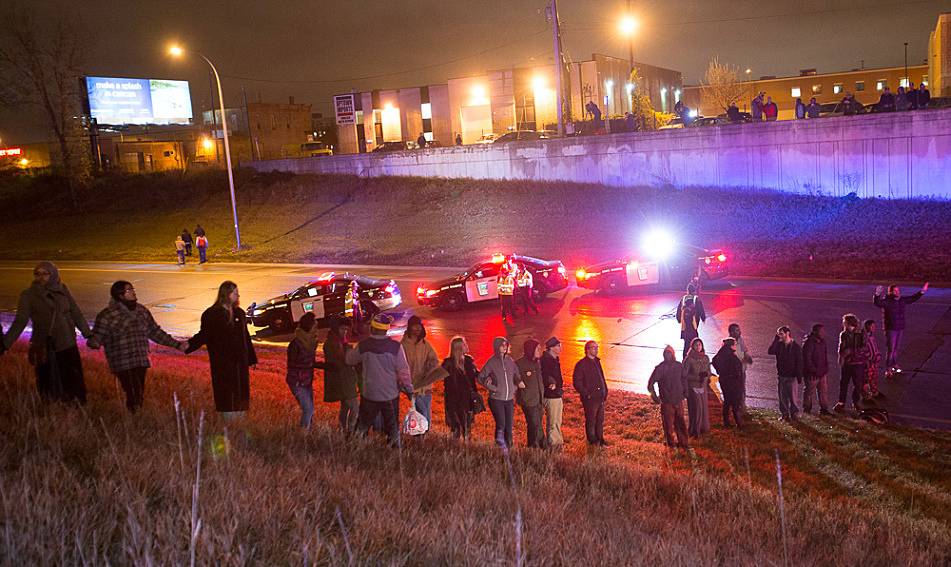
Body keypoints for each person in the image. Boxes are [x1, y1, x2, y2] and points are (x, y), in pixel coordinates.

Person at [88, 281, 189, 413]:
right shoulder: (108, 315)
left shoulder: (142, 311)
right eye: (128, 290)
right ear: (120, 296)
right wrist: (94, 342)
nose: (133, 292)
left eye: (132, 289)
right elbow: (99, 335)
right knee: (133, 390)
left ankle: (135, 415)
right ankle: (135, 416)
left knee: (139, 391)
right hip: (122, 361)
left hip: (140, 359)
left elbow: (155, 332)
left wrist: (176, 344)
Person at [3, 262, 94, 404]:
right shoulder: (29, 295)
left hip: (67, 343)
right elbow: (20, 322)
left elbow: (75, 312)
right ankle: (50, 410)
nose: (41, 277)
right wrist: (5, 343)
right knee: (48, 382)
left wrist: (88, 334)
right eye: (37, 274)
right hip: (46, 345)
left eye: (45, 273)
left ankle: (76, 409)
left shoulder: (62, 289)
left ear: (53, 274)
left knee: (73, 380)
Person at [186, 281, 258, 418]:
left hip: (240, 367)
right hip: (223, 366)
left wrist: (251, 358)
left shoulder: (239, 313)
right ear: (227, 294)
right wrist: (187, 346)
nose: (238, 295)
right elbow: (204, 335)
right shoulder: (212, 314)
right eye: (235, 293)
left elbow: (245, 338)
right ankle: (229, 430)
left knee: (240, 403)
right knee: (228, 401)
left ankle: (239, 432)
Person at [345, 313, 413, 447]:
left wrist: (347, 350)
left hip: (370, 394)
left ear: (373, 328)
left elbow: (349, 360)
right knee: (393, 428)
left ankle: (355, 449)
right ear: (386, 330)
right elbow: (403, 371)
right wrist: (409, 389)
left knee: (363, 426)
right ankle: (394, 452)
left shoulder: (363, 345)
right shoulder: (395, 347)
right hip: (390, 394)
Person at [873, 282, 928, 376]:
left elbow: (912, 298)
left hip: (900, 328)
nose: (897, 292)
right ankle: (888, 369)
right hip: (890, 329)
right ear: (890, 292)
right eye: (895, 291)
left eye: (898, 290)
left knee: (896, 349)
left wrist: (922, 291)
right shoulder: (887, 301)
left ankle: (895, 366)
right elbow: (878, 303)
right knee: (890, 350)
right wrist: (877, 295)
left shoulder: (901, 300)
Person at [477, 337, 521, 447]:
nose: (505, 347)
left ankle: (510, 447)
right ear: (497, 347)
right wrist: (493, 388)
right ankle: (499, 447)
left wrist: (514, 387)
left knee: (509, 425)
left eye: (506, 344)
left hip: (509, 399)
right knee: (501, 423)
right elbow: (480, 377)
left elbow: (517, 374)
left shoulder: (510, 361)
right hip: (496, 399)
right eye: (502, 345)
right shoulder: (492, 362)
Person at [401, 315, 440, 435]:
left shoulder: (425, 345)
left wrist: (430, 368)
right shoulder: (403, 346)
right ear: (410, 327)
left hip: (427, 386)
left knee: (426, 413)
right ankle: (421, 436)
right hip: (413, 387)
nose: (418, 328)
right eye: (415, 325)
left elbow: (434, 360)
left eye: (420, 326)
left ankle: (424, 437)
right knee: (421, 413)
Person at [323, 314, 360, 437]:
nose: (345, 331)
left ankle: (343, 430)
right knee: (354, 406)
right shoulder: (331, 344)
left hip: (346, 379)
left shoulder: (341, 343)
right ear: (335, 328)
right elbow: (336, 363)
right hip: (341, 380)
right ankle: (350, 430)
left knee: (345, 406)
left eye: (346, 329)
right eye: (342, 329)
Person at [647, 345, 688, 448]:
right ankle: (670, 443)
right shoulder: (660, 368)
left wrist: (685, 392)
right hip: (667, 402)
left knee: (680, 423)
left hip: (678, 400)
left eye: (669, 353)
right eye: (666, 354)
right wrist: (655, 397)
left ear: (673, 354)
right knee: (668, 425)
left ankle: (683, 442)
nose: (667, 356)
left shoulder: (679, 366)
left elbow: (684, 379)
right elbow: (651, 384)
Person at [442, 337, 479, 440]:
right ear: (458, 348)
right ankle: (455, 450)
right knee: (455, 427)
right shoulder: (448, 363)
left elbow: (476, 374)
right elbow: (438, 375)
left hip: (467, 398)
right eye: (464, 344)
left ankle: (467, 448)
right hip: (454, 399)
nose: (467, 346)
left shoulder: (469, 360)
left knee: (467, 427)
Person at [573, 340, 609, 447]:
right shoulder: (581, 365)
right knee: (591, 420)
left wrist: (604, 391)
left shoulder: (597, 362)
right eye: (593, 347)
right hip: (590, 398)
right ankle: (592, 440)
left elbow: (601, 377)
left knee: (600, 420)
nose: (596, 349)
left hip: (600, 396)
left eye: (597, 347)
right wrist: (586, 394)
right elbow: (577, 382)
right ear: (587, 350)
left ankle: (600, 439)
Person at [286, 312, 319, 427]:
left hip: (307, 381)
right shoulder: (296, 343)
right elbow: (291, 363)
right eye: (314, 326)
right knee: (308, 409)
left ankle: (309, 429)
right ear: (308, 326)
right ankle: (304, 433)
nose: (316, 328)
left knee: (310, 408)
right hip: (297, 382)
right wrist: (308, 364)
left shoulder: (312, 341)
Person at [515, 338, 546, 449]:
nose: (539, 351)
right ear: (531, 350)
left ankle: (531, 446)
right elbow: (512, 377)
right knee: (536, 424)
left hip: (538, 399)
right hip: (528, 400)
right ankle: (544, 447)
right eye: (537, 349)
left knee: (533, 425)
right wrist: (518, 382)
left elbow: (543, 378)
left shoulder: (538, 364)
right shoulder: (519, 364)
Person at [768, 326, 802, 421]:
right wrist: (775, 340)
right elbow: (770, 351)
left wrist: (799, 376)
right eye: (779, 335)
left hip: (792, 376)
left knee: (792, 396)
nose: (780, 336)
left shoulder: (795, 347)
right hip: (782, 375)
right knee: (782, 396)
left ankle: (794, 413)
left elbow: (799, 362)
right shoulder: (779, 345)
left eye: (781, 334)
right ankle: (785, 414)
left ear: (787, 333)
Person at [834, 314, 866, 413]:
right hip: (848, 363)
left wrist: (851, 351)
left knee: (857, 383)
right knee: (844, 383)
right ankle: (841, 401)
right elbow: (841, 348)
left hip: (857, 362)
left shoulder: (861, 333)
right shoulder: (844, 334)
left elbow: (864, 347)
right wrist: (842, 359)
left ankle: (855, 402)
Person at [712, 338, 745, 428]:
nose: (736, 345)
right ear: (731, 346)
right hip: (733, 381)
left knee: (727, 400)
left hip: (724, 380)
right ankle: (739, 423)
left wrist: (719, 371)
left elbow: (714, 361)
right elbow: (737, 369)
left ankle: (726, 422)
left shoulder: (721, 354)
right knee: (735, 401)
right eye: (735, 344)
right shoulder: (733, 356)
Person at [683, 338, 711, 438]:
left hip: (702, 386)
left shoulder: (705, 358)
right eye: (696, 345)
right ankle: (695, 430)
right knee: (696, 409)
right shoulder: (689, 359)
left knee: (703, 408)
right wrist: (697, 377)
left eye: (700, 345)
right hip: (693, 387)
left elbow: (709, 371)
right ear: (692, 347)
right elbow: (685, 375)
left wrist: (706, 376)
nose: (698, 347)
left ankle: (703, 429)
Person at [540, 336, 565, 450]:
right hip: (551, 395)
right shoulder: (546, 361)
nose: (560, 348)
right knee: (553, 420)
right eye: (557, 346)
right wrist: (552, 383)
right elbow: (545, 375)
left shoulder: (554, 359)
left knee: (557, 419)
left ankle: (557, 440)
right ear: (551, 348)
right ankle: (554, 443)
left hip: (556, 394)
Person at [802, 323, 831, 415]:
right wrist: (813, 371)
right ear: (814, 332)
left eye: (823, 331)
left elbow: (824, 356)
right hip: (812, 374)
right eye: (820, 331)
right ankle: (807, 410)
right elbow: (807, 359)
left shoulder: (822, 342)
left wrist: (825, 368)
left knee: (823, 391)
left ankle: (824, 409)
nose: (822, 333)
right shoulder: (809, 343)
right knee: (809, 392)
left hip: (821, 372)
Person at [676, 283, 706, 359]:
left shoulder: (683, 299)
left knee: (686, 344)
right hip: (694, 326)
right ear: (694, 291)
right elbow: (701, 311)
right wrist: (703, 318)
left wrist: (679, 320)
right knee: (694, 343)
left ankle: (685, 359)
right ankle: (695, 358)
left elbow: (678, 311)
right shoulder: (697, 299)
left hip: (685, 327)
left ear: (687, 290)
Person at [728, 323, 753, 409]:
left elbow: (744, 351)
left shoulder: (740, 340)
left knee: (742, 388)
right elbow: (738, 355)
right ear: (731, 332)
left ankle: (742, 404)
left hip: (741, 370)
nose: (739, 332)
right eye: (737, 330)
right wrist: (746, 357)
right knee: (735, 388)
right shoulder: (729, 343)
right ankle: (736, 405)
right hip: (734, 371)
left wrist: (746, 357)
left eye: (739, 330)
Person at [862, 319, 883, 401]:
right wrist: (870, 358)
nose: (873, 328)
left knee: (874, 376)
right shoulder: (864, 337)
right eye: (872, 326)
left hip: (874, 361)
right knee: (866, 379)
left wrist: (878, 354)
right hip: (868, 362)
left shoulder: (871, 336)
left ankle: (874, 391)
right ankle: (865, 396)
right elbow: (864, 350)